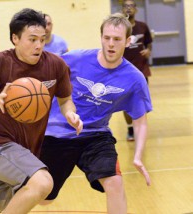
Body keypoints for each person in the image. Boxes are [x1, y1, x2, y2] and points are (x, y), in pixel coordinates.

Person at [0, 8, 82, 214]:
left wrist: (70, 113)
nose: (38, 45)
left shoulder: (56, 65)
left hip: (25, 150)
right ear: (15, 38)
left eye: (42, 39)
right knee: (42, 182)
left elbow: (65, 100)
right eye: (32, 39)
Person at [40, 13, 152, 214]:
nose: (110, 44)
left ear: (127, 41)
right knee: (43, 198)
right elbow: (44, 73)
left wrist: (138, 156)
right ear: (101, 37)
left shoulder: (134, 78)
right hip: (56, 135)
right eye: (106, 38)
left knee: (115, 183)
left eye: (117, 39)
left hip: (95, 136)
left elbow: (140, 121)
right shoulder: (75, 59)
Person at [122, 0, 153, 141]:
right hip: (123, 72)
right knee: (125, 102)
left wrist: (148, 51)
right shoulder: (120, 27)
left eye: (131, 6)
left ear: (136, 9)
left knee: (140, 101)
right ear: (122, 9)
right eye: (126, 6)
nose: (129, 8)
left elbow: (149, 43)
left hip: (141, 70)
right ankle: (130, 128)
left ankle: (139, 127)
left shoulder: (143, 26)